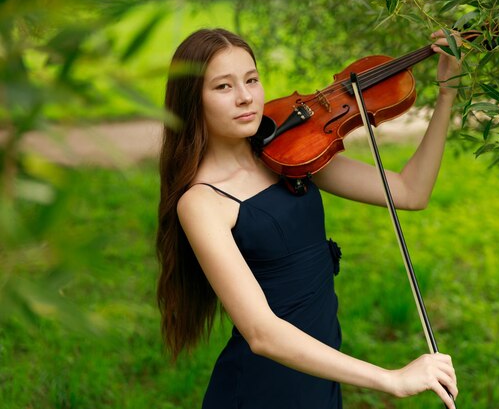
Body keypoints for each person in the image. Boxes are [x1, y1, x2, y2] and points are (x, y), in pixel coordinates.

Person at [156, 27, 461, 409]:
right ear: (192, 101)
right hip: (260, 392)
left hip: (320, 377)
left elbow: (410, 192)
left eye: (251, 79)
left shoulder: (291, 154)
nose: (246, 97)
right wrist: (390, 378)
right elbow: (261, 333)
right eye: (223, 87)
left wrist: (447, 94)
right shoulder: (202, 203)